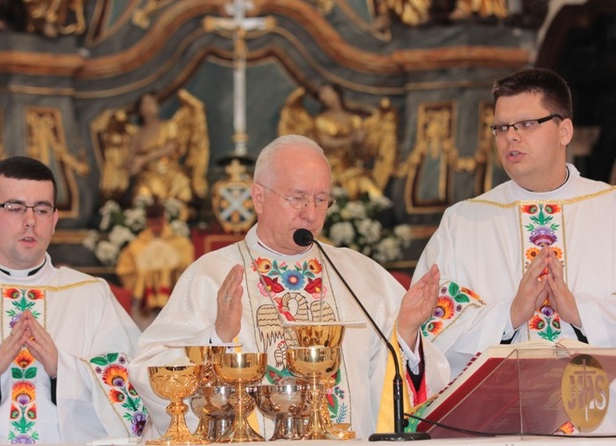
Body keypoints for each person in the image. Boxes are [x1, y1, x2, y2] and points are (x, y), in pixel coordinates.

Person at [130, 135, 450, 439]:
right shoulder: (211, 275)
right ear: (258, 197)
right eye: (297, 198)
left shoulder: (361, 275)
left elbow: (405, 383)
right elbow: (151, 370)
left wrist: (406, 334)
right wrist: (217, 337)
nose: (310, 214)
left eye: (321, 200)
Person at [413, 68, 616, 380]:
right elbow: (429, 327)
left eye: (527, 124)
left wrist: (580, 313)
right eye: (502, 127)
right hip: (499, 419)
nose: (511, 136)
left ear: (564, 131)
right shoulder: (463, 222)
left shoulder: (609, 208)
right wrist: (509, 316)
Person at [0, 157, 147, 443]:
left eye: (42, 209)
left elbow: (137, 394)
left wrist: (61, 368)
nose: (30, 221)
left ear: (53, 220)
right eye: (14, 208)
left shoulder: (91, 294)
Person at [115, 200, 194, 314]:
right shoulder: (137, 245)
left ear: (164, 219)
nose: (155, 225)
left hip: (174, 301)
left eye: (158, 221)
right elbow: (124, 270)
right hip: (144, 305)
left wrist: (170, 268)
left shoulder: (180, 243)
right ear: (147, 222)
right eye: (152, 222)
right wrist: (143, 276)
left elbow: (189, 268)